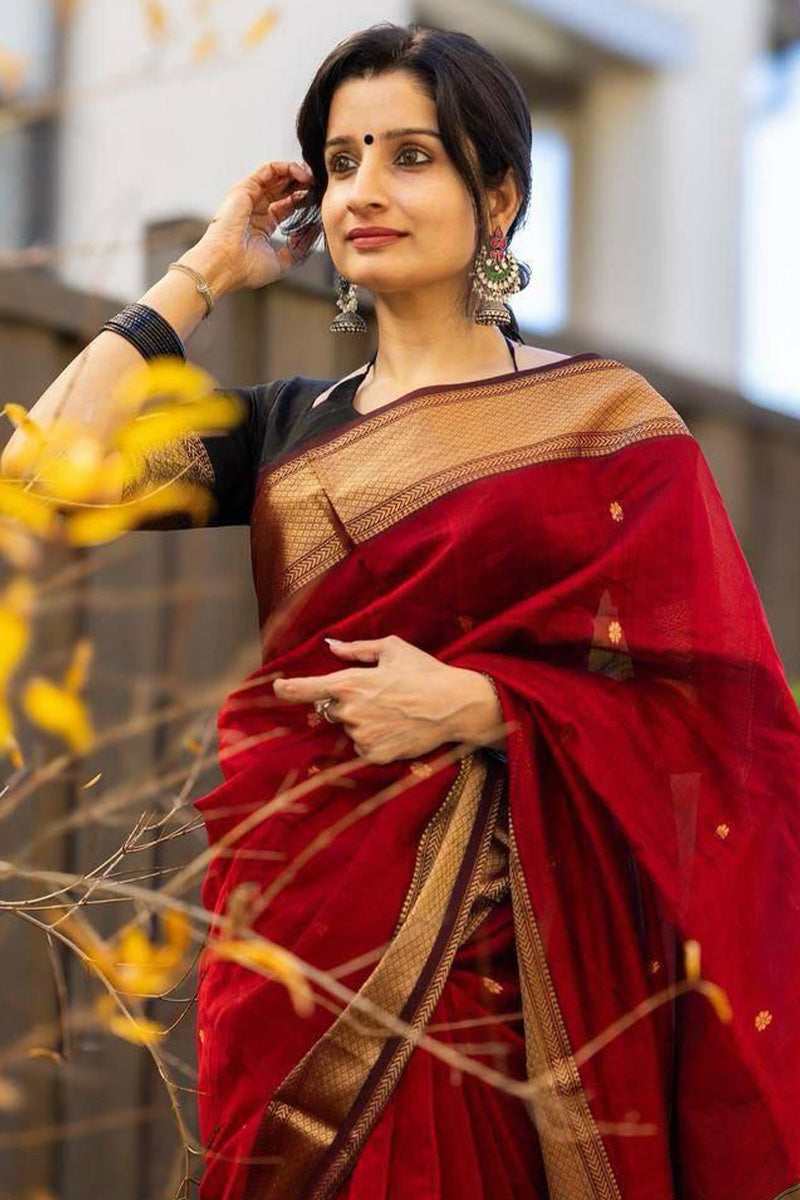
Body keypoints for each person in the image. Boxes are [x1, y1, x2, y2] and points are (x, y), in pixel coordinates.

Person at [5, 21, 800, 1200]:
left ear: (498, 199)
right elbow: (38, 482)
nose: (362, 191)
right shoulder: (284, 427)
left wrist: (490, 706)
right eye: (339, 162)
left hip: (510, 984)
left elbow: (719, 714)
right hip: (300, 941)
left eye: (409, 157)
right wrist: (207, 271)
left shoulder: (601, 426)